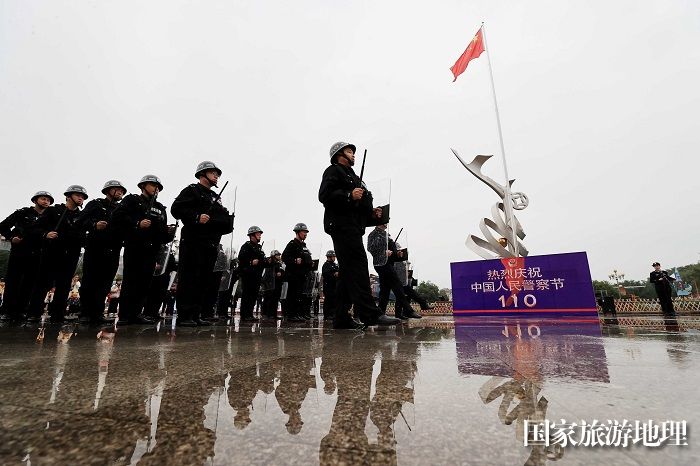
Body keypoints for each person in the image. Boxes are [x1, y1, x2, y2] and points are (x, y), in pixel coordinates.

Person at [318, 141, 400, 328]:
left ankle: (341, 317)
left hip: (354, 227)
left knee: (347, 272)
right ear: (339, 155)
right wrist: (348, 195)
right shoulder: (333, 171)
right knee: (359, 267)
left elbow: (358, 210)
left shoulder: (356, 178)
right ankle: (369, 313)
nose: (353, 155)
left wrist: (373, 215)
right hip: (341, 227)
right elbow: (324, 195)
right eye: (349, 151)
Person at [171, 161, 233, 327]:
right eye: (213, 173)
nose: (216, 177)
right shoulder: (192, 190)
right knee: (190, 277)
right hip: (193, 241)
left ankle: (197, 314)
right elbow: (176, 209)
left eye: (217, 174)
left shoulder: (216, 198)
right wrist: (196, 217)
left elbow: (223, 221)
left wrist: (228, 220)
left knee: (204, 280)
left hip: (210, 243)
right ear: (203, 174)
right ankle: (185, 315)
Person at [112, 175, 175, 325]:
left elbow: (162, 235)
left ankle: (136, 313)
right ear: (143, 186)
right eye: (153, 185)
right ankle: (125, 315)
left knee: (144, 283)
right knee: (131, 281)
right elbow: (118, 217)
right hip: (135, 247)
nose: (156, 189)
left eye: (158, 187)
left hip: (152, 250)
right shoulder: (132, 200)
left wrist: (168, 234)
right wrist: (137, 223)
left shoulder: (160, 208)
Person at [26, 185, 88, 323]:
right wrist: (45, 234)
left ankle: (57, 315)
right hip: (52, 252)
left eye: (83, 196)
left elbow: (84, 234)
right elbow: (33, 228)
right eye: (78, 195)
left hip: (71, 254)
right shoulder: (54, 211)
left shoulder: (82, 216)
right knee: (43, 283)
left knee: (64, 285)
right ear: (68, 196)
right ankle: (34, 313)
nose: (80, 198)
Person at [78, 180, 126, 324]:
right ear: (108, 190)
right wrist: (94, 225)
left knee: (105, 283)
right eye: (117, 190)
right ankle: (85, 313)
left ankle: (97, 313)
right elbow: (80, 221)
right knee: (89, 282)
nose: (120, 193)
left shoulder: (122, 209)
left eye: (122, 191)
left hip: (113, 251)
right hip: (95, 249)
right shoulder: (95, 204)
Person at [0, 191, 53, 322]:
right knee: (13, 282)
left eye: (48, 200)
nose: (46, 201)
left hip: (38, 254)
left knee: (29, 284)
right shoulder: (22, 213)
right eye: (43, 199)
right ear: (35, 200)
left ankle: (21, 311)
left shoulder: (50, 217)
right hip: (20, 252)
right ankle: (7, 311)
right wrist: (11, 237)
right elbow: (3, 226)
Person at [367, 224, 421, 320]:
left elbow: (392, 252)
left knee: (385, 291)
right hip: (381, 264)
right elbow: (371, 248)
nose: (386, 223)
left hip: (389, 264)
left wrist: (397, 254)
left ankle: (380, 314)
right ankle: (408, 310)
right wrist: (384, 252)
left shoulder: (387, 235)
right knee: (398, 286)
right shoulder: (373, 234)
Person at [282, 223, 314, 322]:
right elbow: (284, 257)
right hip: (293, 275)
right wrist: (295, 260)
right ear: (298, 232)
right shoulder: (292, 244)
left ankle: (298, 314)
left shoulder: (304, 246)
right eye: (304, 232)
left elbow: (306, 259)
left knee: (300, 296)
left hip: (302, 275)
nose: (305, 234)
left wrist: (311, 263)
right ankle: (291, 315)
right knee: (293, 295)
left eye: (306, 232)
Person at [238, 226, 267, 322]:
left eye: (260, 234)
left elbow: (263, 260)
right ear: (252, 235)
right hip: (248, 275)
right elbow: (241, 259)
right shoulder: (246, 246)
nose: (260, 236)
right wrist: (250, 262)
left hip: (257, 275)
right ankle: (244, 315)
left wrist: (267, 261)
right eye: (258, 234)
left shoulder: (259, 248)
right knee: (247, 294)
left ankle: (249, 314)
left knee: (254, 295)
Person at [261, 250, 284, 320]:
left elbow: (281, 272)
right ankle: (267, 314)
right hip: (271, 284)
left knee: (275, 300)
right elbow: (268, 274)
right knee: (269, 299)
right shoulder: (270, 263)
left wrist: (281, 274)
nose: (279, 256)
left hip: (277, 284)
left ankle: (273, 314)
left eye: (279, 255)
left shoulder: (279, 264)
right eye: (277, 255)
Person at [321, 250, 339, 321]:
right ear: (330, 257)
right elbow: (326, 274)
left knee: (334, 301)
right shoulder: (326, 265)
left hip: (334, 286)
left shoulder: (335, 265)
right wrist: (334, 275)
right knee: (328, 301)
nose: (335, 258)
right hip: (328, 286)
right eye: (334, 257)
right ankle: (328, 315)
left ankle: (333, 314)